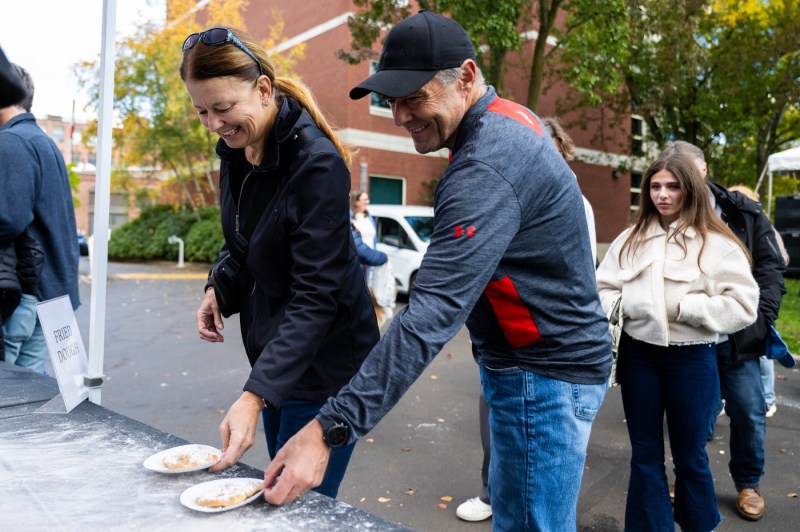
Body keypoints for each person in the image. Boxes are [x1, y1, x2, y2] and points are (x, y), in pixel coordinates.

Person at [261, 11, 612, 531]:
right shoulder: (509, 120)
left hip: (544, 376)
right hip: (540, 365)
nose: (400, 116)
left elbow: (430, 314)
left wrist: (327, 429)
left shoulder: (486, 165)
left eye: (414, 98)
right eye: (392, 100)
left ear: (466, 77)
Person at [182, 26, 379, 498]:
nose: (213, 124)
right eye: (201, 111)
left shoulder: (316, 164)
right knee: (281, 496)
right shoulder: (237, 152)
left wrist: (254, 394)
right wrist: (218, 287)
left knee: (298, 505)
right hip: (277, 361)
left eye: (223, 108)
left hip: (328, 367)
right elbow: (245, 243)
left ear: (264, 89)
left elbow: (317, 295)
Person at [596, 151, 759, 531]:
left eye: (673, 186)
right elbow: (601, 288)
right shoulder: (630, 238)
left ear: (691, 189)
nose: (663, 194)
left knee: (690, 457)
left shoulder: (718, 243)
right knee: (645, 454)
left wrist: (686, 308)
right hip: (639, 357)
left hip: (692, 360)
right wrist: (629, 303)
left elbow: (744, 305)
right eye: (655, 186)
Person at [455, 115, 599, 523]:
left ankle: (500, 492)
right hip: (506, 351)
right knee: (508, 448)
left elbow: (577, 277)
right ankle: (491, 490)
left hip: (543, 357)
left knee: (539, 504)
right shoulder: (505, 188)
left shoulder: (570, 201)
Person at [663, 142, 785, 521]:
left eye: (690, 173)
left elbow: (770, 266)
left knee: (748, 410)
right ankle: (689, 480)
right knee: (694, 415)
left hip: (738, 338)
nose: (681, 184)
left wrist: (760, 319)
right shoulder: (664, 215)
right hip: (688, 338)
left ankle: (748, 483)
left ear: (704, 170)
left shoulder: (741, 211)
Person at [0, 64, 80, 374]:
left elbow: (8, 218)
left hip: (25, 296)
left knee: (11, 394)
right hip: (51, 293)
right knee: (31, 385)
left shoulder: (12, 142)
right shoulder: (43, 141)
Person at [728, 184, 787, 418]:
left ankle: (768, 398)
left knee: (761, 353)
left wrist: (765, 313)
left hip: (757, 301)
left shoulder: (763, 225)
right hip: (735, 302)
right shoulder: (726, 226)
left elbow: (778, 259)